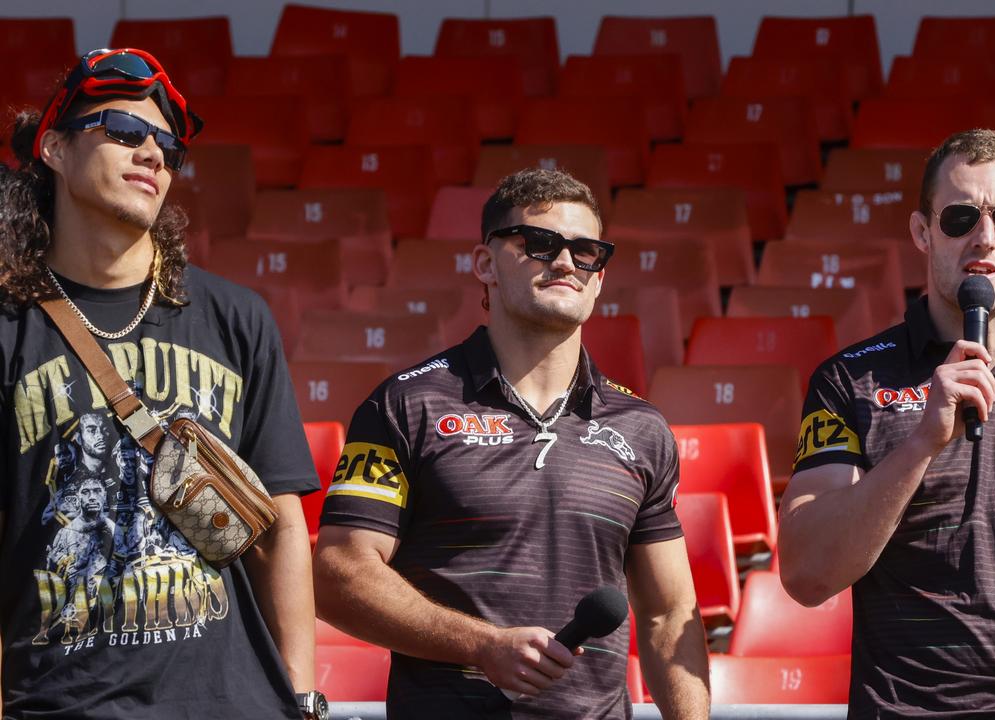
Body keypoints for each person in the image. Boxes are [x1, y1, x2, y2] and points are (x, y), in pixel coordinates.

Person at [313, 168, 710, 719]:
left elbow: (670, 613)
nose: (566, 262)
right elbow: (339, 575)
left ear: (599, 277)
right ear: (485, 264)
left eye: (587, 251)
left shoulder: (642, 427)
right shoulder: (405, 405)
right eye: (541, 243)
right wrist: (482, 646)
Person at [0, 48, 322, 719]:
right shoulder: (9, 329)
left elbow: (282, 523)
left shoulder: (236, 317)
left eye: (167, 143)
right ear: (54, 149)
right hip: (66, 703)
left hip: (237, 705)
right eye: (122, 129)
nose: (151, 151)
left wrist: (300, 695)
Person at [777, 128, 995, 719]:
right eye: (961, 217)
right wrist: (923, 440)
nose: (985, 238)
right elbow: (808, 574)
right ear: (922, 231)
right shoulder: (849, 381)